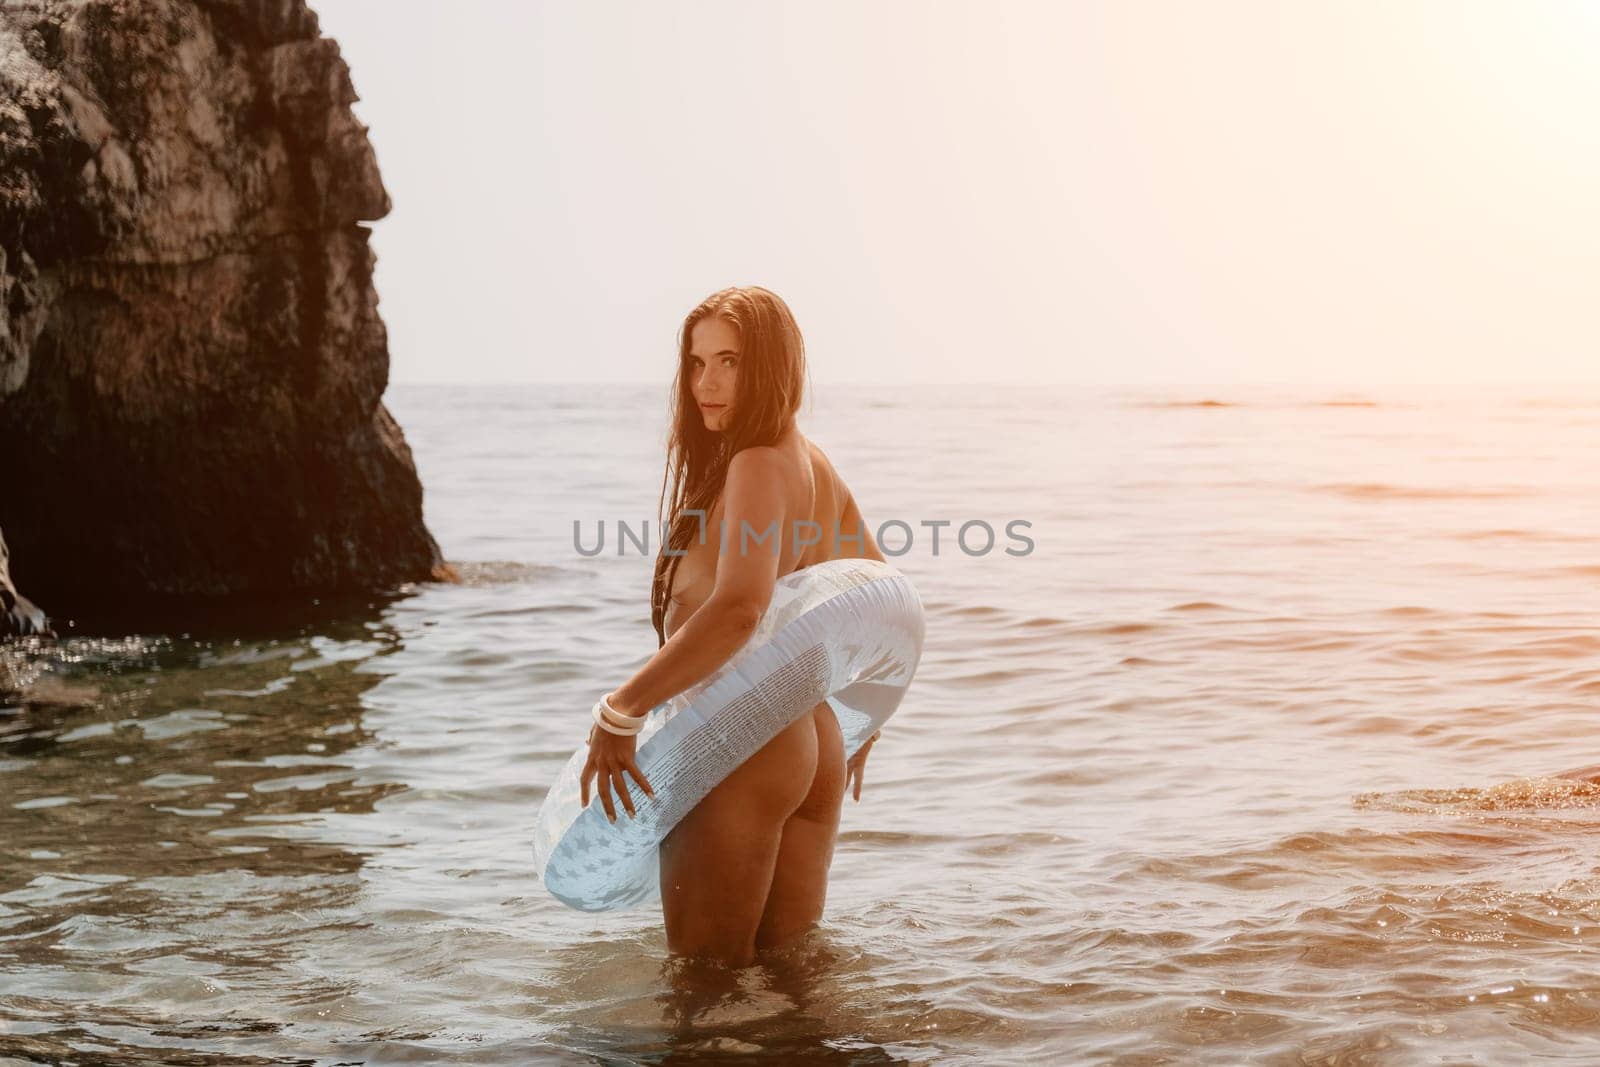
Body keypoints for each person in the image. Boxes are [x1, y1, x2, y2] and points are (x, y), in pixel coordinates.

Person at [579, 285, 886, 969]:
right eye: (696, 363)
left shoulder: (755, 463)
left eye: (730, 362)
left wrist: (621, 711)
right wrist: (867, 720)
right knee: (789, 980)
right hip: (811, 739)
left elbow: (740, 607)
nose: (706, 384)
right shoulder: (810, 459)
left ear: (772, 366)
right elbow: (879, 592)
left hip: (743, 740)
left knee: (703, 986)